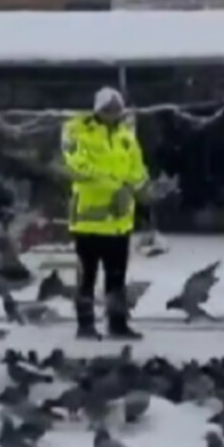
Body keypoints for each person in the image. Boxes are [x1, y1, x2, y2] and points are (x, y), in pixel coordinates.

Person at [62, 87, 150, 340]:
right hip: (89, 219)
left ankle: (117, 323)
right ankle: (85, 324)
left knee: (116, 277)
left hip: (119, 221)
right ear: (98, 110)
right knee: (86, 276)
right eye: (108, 109)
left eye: (117, 109)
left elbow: (137, 167)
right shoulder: (78, 132)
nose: (113, 113)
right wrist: (115, 186)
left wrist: (140, 187)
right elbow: (77, 165)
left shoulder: (126, 136)